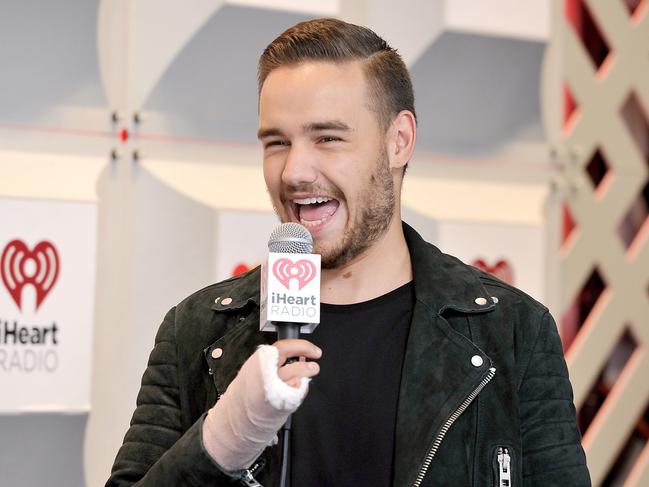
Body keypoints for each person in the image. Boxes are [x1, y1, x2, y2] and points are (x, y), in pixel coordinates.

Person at [106, 18, 591, 486]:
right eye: (277, 142)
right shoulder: (196, 331)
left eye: (327, 138)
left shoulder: (512, 332)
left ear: (398, 140)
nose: (294, 171)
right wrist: (224, 439)